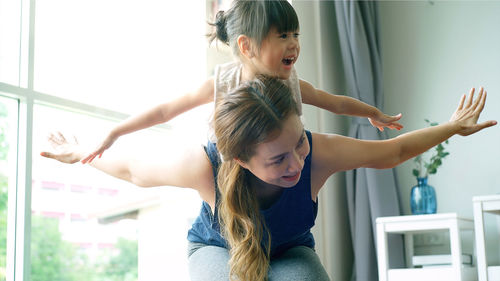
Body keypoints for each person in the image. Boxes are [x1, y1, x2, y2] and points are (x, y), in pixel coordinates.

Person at [42, 76, 496, 281]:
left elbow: (392, 151)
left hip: (289, 250)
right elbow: (134, 170)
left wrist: (452, 127)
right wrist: (83, 153)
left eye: (298, 143)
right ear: (238, 158)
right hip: (218, 249)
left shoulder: (316, 154)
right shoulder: (206, 166)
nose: (296, 162)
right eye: (278, 159)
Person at [80, 0, 403, 164]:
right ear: (246, 46)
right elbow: (166, 111)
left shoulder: (291, 85)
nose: (294, 44)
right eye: (282, 36)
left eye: (296, 35)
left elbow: (334, 101)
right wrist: (114, 132)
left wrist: (373, 112)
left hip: (276, 173)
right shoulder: (222, 82)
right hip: (231, 168)